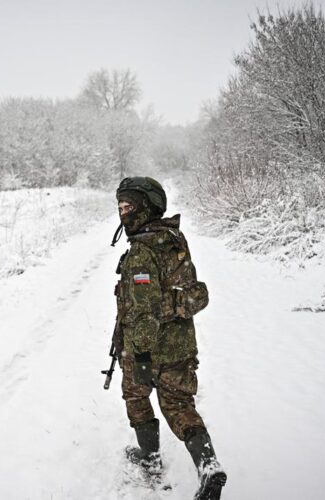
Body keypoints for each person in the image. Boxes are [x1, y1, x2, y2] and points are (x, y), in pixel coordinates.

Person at [111, 177, 226, 500]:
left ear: (147, 206)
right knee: (180, 405)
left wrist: (142, 355)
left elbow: (142, 310)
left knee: (135, 397)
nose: (123, 213)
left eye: (129, 206)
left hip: (146, 349)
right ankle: (209, 466)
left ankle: (149, 456)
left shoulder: (141, 253)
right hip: (181, 347)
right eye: (119, 206)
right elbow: (189, 291)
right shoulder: (173, 239)